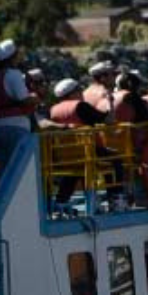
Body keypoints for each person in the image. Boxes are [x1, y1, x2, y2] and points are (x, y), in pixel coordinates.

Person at [48, 78, 124, 207]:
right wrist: (110, 102)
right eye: (79, 90)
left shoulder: (53, 110)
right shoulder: (80, 106)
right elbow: (109, 120)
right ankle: (115, 197)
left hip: (63, 155)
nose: (81, 93)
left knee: (74, 170)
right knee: (115, 158)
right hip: (86, 151)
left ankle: (61, 201)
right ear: (72, 93)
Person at [0, 39, 38, 171]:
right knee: (19, 169)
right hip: (15, 126)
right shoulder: (13, 74)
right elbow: (23, 99)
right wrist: (35, 98)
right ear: (12, 56)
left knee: (4, 169)